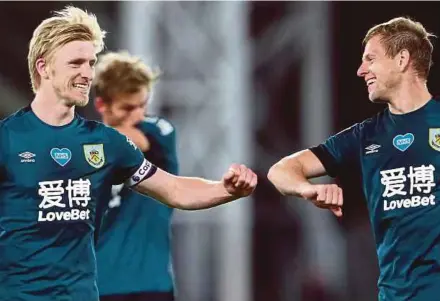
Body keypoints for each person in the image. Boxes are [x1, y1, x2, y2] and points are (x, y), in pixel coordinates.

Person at [0, 6, 257, 301]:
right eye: (75, 63)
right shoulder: (8, 139)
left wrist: (226, 189)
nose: (86, 73)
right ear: (43, 68)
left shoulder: (106, 144)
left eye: (90, 62)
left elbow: (174, 188)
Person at [267, 16, 439, 300]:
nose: (361, 70)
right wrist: (308, 188)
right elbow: (281, 170)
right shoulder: (364, 136)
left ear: (402, 60)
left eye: (371, 59)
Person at [92, 51, 179, 301]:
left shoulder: (159, 131)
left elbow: (134, 140)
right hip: (98, 287)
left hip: (151, 285)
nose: (138, 115)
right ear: (101, 105)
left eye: (143, 105)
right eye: (128, 108)